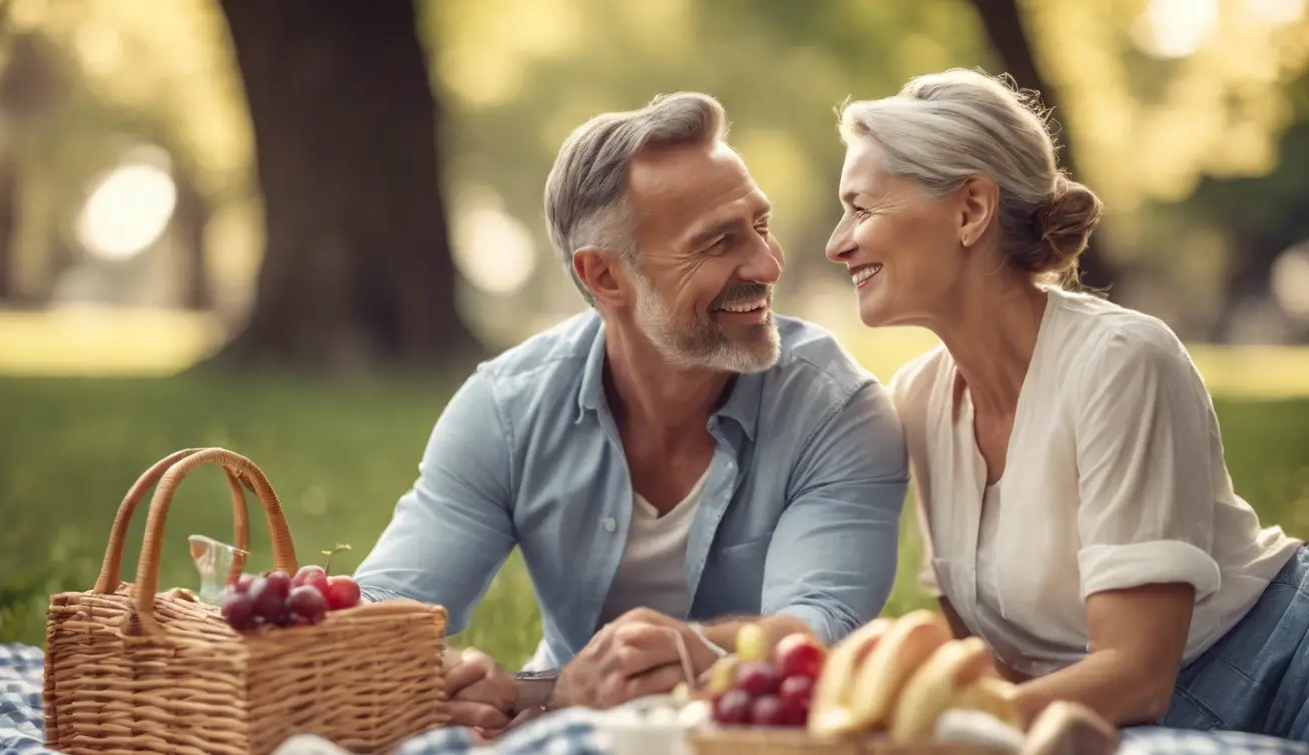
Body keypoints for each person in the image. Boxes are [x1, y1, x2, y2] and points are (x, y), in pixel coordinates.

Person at [354, 91, 909, 734]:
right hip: (561, 735)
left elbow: (825, 630)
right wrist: (445, 675)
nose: (765, 263)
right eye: (717, 243)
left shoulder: (838, 411)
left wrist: (685, 656)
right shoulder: (507, 411)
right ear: (606, 278)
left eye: (760, 224)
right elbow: (383, 613)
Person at [823, 67, 1309, 742]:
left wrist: (922, 738)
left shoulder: (1119, 361)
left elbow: (1137, 674)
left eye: (862, 208)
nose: (837, 242)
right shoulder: (920, 402)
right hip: (1115, 725)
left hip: (1280, 678)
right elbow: (989, 667)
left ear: (970, 210)